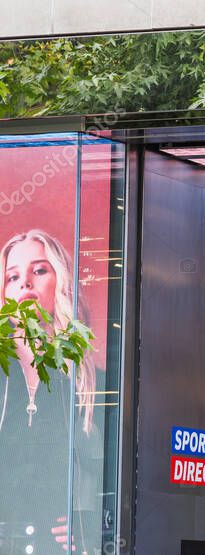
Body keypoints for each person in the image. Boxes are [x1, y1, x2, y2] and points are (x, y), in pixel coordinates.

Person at [0, 230, 103, 554]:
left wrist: (88, 526)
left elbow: (109, 474)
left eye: (39, 270)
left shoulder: (89, 382)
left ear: (60, 281)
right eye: (13, 276)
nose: (25, 283)